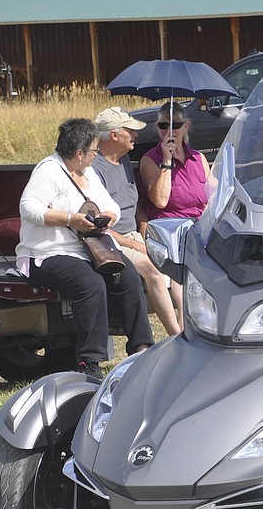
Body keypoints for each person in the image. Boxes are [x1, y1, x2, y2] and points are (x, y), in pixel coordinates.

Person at [17, 119, 153, 379]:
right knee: (90, 284)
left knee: (128, 276)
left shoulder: (87, 172)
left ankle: (141, 349)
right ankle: (89, 362)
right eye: (93, 151)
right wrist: (70, 219)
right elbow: (29, 208)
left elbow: (109, 204)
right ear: (79, 153)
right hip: (47, 253)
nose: (95, 155)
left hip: (87, 250)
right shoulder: (49, 170)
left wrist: (109, 216)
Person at [90, 107, 182, 336]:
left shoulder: (122, 161)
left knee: (177, 261)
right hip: (109, 240)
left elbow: (135, 203)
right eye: (130, 131)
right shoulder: (93, 169)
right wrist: (136, 244)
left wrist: (143, 227)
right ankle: (176, 335)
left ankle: (189, 329)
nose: (136, 135)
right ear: (113, 134)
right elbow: (99, 225)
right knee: (152, 267)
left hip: (132, 236)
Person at [138, 102, 212, 222]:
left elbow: (213, 195)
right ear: (157, 127)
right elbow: (160, 201)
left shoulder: (198, 158)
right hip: (172, 227)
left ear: (186, 127)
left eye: (175, 125)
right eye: (163, 125)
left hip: (201, 224)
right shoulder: (150, 160)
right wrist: (166, 159)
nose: (169, 130)